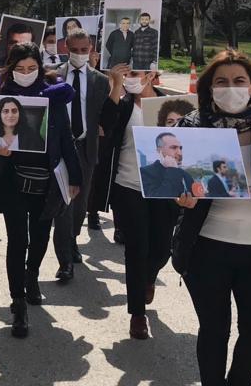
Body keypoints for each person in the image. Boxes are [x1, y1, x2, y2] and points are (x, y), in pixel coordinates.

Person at [173, 50, 251, 386]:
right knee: (214, 329)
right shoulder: (192, 127)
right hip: (207, 247)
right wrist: (183, 202)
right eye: (221, 82)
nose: (231, 88)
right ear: (210, 88)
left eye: (239, 81)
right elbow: (170, 194)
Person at [0, 42, 81, 338]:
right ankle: (18, 304)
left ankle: (32, 277)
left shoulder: (52, 97)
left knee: (40, 238)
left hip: (46, 183)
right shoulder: (0, 99)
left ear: (40, 68)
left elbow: (66, 138)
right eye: (19, 69)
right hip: (14, 181)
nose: (26, 74)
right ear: (10, 69)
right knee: (17, 240)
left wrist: (75, 178)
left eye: (32, 68)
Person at [93, 64, 179, 339]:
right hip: (128, 185)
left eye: (135, 74)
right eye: (126, 74)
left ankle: (149, 277)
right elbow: (105, 126)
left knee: (163, 248)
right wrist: (115, 85)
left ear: (152, 75)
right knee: (136, 248)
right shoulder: (123, 103)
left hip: (164, 188)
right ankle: (137, 314)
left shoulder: (171, 105)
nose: (131, 79)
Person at [52, 28, 110, 281]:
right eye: (74, 50)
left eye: (83, 50)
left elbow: (107, 113)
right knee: (64, 204)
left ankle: (73, 239)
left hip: (86, 148)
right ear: (65, 48)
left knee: (80, 203)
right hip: (62, 149)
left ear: (91, 50)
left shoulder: (100, 80)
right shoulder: (54, 76)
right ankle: (65, 261)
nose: (78, 54)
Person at [139, 132, 195, 198]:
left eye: (180, 148)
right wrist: (172, 170)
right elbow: (155, 199)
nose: (179, 153)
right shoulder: (145, 172)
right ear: (159, 150)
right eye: (174, 148)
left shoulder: (186, 175)